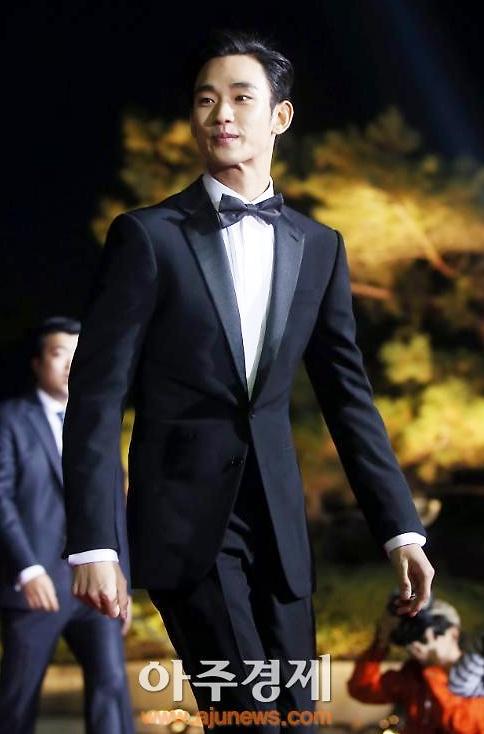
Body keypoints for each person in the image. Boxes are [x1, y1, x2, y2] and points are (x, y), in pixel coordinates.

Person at [61, 30, 435, 732]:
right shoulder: (147, 237)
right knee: (249, 720)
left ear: (280, 117)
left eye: (240, 98)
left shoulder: (320, 247)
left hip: (281, 534)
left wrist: (401, 531)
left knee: (297, 721)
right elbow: (96, 396)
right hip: (187, 532)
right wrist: (94, 544)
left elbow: (348, 399)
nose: (221, 114)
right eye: (206, 100)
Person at [0, 316, 135, 734]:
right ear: (38, 363)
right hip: (37, 586)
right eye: (60, 354)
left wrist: (125, 580)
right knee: (18, 699)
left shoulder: (98, 422)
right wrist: (28, 570)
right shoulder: (10, 419)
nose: (70, 366)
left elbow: (114, 505)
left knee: (112, 689)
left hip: (98, 587)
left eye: (79, 355)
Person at [347, 595, 484, 733]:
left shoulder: (477, 674)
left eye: (420, 632)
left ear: (453, 634)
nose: (414, 643)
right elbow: (362, 689)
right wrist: (381, 642)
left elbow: (464, 725)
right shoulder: (413, 674)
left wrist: (434, 672)